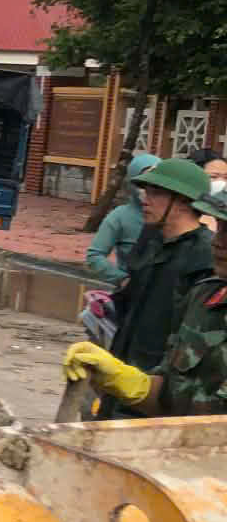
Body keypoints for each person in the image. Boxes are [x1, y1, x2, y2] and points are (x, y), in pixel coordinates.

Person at [64, 189, 227, 417]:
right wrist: (125, 382)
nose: (218, 242)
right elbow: (169, 400)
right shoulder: (205, 298)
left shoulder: (198, 263)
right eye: (220, 228)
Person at [103, 157, 215, 399]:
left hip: (161, 391)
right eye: (145, 191)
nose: (145, 199)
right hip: (123, 375)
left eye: (155, 192)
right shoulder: (151, 241)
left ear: (183, 201)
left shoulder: (204, 256)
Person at [85, 152, 160, 285]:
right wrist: (123, 279)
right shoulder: (120, 217)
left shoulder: (173, 214)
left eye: (156, 181)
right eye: (142, 183)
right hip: (131, 294)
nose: (149, 189)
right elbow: (95, 256)